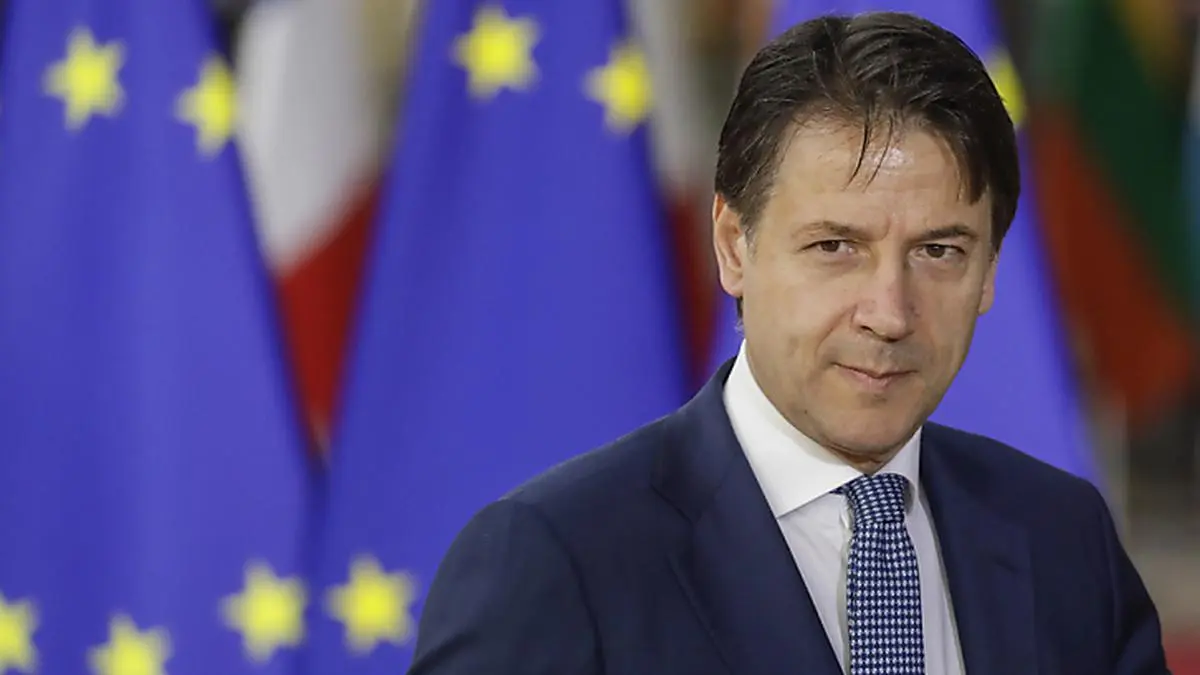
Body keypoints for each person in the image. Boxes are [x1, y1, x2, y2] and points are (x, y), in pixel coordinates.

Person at [407, 12, 1169, 675]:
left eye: (939, 251)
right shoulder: (556, 563)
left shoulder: (1062, 537)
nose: (889, 313)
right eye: (836, 246)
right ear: (733, 245)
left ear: (991, 271)